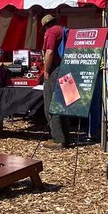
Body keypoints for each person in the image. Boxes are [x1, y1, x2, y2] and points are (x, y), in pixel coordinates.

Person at [40, 13, 69, 147]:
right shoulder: (62, 29)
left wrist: (46, 70)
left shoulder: (51, 32)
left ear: (45, 25)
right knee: (64, 104)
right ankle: (65, 137)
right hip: (65, 70)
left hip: (55, 71)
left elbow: (50, 52)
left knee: (51, 105)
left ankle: (58, 139)